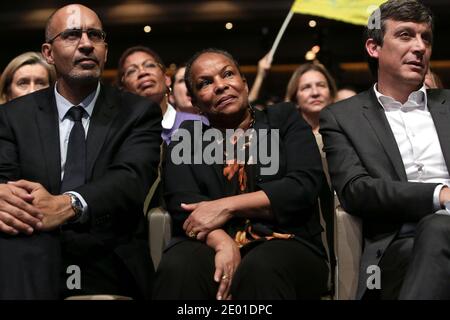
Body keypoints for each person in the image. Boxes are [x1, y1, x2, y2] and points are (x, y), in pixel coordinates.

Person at [0, 4, 161, 299]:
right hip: (30, 244)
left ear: (105, 50)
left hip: (106, 251)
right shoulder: (13, 116)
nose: (87, 44)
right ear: (48, 53)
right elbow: (6, 184)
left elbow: (131, 179)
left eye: (95, 36)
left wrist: (69, 204)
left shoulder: (137, 113)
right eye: (73, 35)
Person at [153, 48, 329, 300]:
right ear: (194, 102)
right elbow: (183, 203)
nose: (221, 86)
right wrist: (223, 243)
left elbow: (302, 186)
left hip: (286, 242)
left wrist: (227, 206)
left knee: (260, 267)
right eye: (205, 83)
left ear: (244, 83)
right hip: (209, 243)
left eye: (228, 75)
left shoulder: (284, 119)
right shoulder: (186, 138)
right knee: (179, 267)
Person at [320, 0, 450, 300]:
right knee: (437, 228)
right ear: (373, 48)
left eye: (425, 38)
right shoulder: (343, 117)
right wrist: (438, 194)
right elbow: (356, 190)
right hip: (396, 245)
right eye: (406, 35)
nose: (420, 47)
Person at [117, 46, 178, 144]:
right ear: (124, 90)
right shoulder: (116, 136)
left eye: (150, 65)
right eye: (132, 71)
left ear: (167, 79)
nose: (143, 72)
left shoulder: (196, 125)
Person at [285, 62, 337, 135]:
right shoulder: (279, 133)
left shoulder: (345, 130)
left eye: (321, 85)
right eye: (306, 87)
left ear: (331, 94)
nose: (315, 93)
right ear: (295, 99)